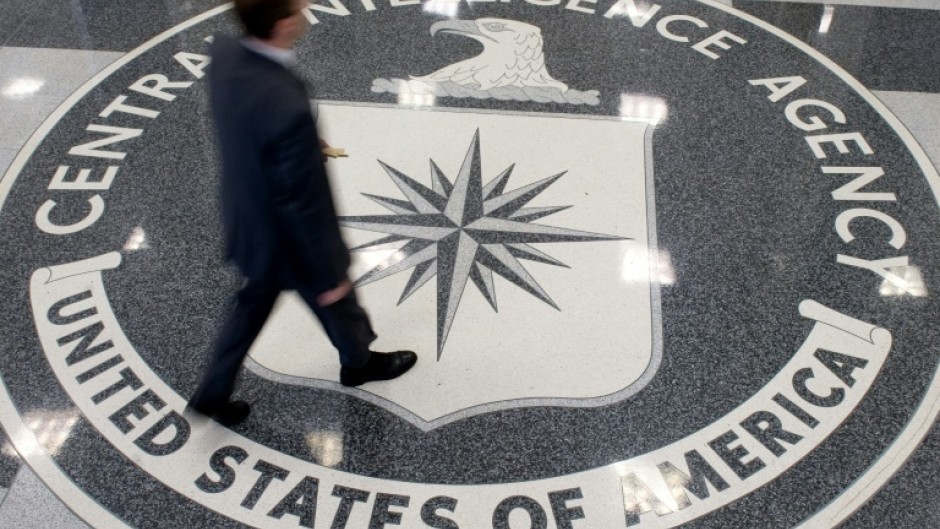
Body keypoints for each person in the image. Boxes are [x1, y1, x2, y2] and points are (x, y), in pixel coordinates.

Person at [188, 0, 417, 426]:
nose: (307, 10)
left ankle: (212, 392)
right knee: (336, 299)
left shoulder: (225, 54)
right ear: (283, 23)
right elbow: (301, 201)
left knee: (251, 307)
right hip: (287, 238)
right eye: (299, 7)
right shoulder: (284, 106)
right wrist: (329, 269)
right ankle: (358, 363)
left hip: (248, 217)